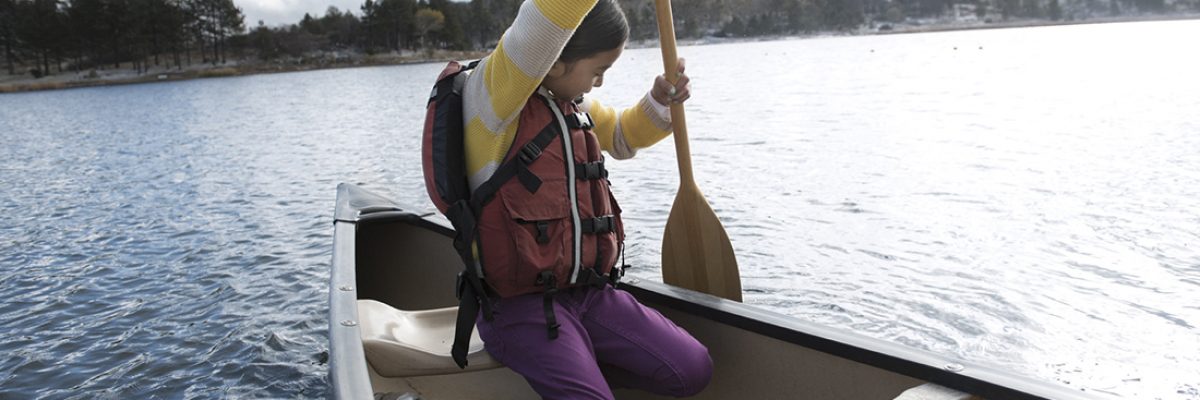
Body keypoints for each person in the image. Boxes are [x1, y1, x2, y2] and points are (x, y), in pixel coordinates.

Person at [459, 0, 712, 398]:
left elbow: (624, 135)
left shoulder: (571, 104)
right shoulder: (496, 99)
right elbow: (547, 18)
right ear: (555, 58)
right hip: (518, 309)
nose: (599, 84)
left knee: (692, 369)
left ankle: (581, 362)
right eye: (597, 71)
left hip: (588, 294)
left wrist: (661, 101)